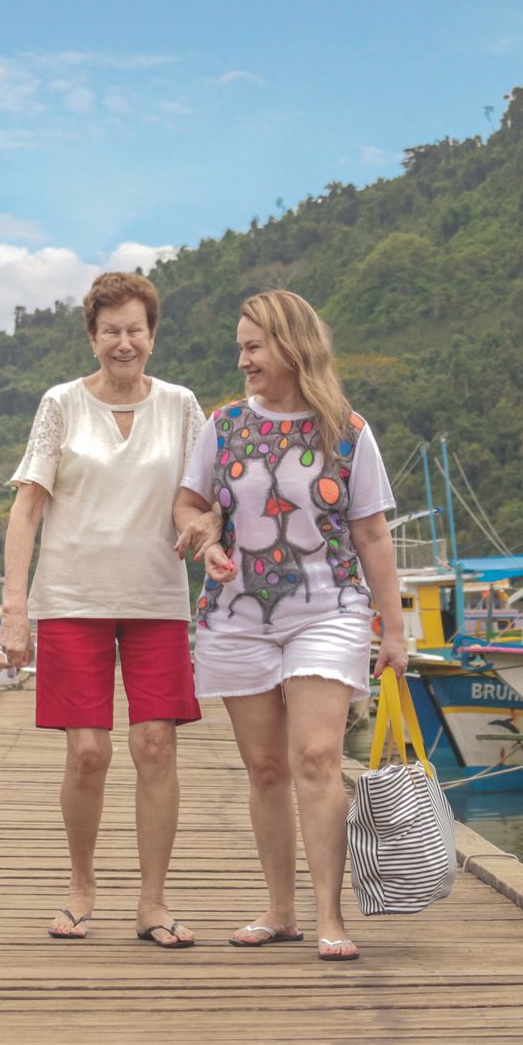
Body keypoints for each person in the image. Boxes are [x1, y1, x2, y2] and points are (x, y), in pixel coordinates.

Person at [173, 290, 407, 962]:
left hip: (329, 608)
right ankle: (280, 911)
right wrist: (206, 537)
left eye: (253, 346)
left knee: (316, 758)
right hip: (238, 615)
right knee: (266, 767)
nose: (242, 359)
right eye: (240, 347)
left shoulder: (348, 431)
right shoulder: (221, 427)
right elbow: (190, 502)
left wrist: (394, 631)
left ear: (290, 347)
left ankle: (331, 916)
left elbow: (372, 533)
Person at [0, 271, 214, 949]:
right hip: (71, 599)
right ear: (93, 337)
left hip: (156, 598)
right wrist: (15, 607)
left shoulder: (181, 406)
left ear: (152, 335)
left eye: (136, 330)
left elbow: (206, 497)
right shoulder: (61, 405)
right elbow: (27, 507)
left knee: (155, 745)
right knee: (88, 753)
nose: (125, 342)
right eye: (111, 330)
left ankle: (153, 902)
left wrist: (208, 534)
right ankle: (82, 885)